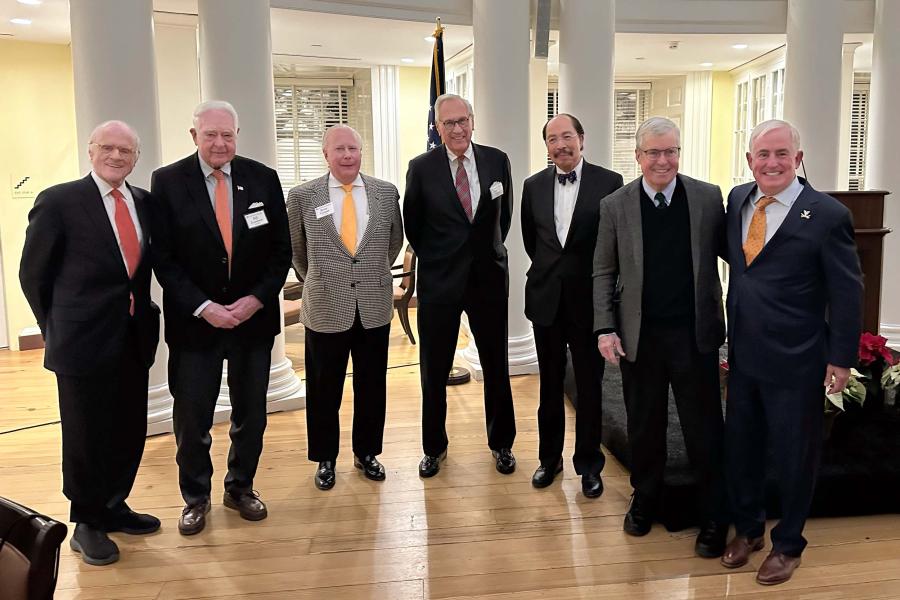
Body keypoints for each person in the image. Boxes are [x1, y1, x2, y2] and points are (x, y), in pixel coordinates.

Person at [721, 119, 862, 585]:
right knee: (742, 448)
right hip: (742, 356)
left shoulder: (826, 214)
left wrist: (840, 358)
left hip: (797, 360)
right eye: (763, 154)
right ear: (749, 161)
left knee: (794, 455)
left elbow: (847, 292)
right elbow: (743, 267)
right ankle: (747, 528)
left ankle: (788, 544)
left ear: (798, 159)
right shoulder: (738, 198)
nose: (772, 163)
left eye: (782, 153)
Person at [19, 120, 160, 565]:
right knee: (86, 434)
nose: (117, 156)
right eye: (108, 148)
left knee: (128, 427)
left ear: (136, 159)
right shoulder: (59, 201)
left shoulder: (144, 203)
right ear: (91, 151)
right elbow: (33, 274)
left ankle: (114, 504)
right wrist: (55, 325)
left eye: (127, 151)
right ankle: (86, 522)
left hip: (133, 337)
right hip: (81, 339)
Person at [151, 100, 291, 535]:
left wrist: (255, 300)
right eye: (210, 134)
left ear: (237, 135)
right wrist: (204, 307)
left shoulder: (262, 178)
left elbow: (280, 252)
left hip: (253, 321)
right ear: (193, 136)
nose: (219, 142)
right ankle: (195, 496)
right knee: (192, 418)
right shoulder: (168, 181)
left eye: (227, 134)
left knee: (252, 414)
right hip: (196, 323)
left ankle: (240, 486)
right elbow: (164, 258)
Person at [593, 116, 729, 557]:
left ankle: (713, 514)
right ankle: (645, 498)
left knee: (703, 427)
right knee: (645, 423)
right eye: (653, 152)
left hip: (695, 334)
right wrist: (605, 327)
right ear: (637, 157)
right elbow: (603, 270)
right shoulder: (616, 204)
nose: (663, 160)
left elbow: (739, 257)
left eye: (671, 151)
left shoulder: (708, 198)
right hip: (641, 336)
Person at [403, 93, 516, 477]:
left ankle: (502, 443)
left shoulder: (497, 160)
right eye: (448, 123)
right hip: (440, 282)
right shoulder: (421, 168)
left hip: (488, 279)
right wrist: (440, 258)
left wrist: (485, 254)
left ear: (473, 120)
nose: (457, 129)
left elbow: (504, 220)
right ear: (437, 128)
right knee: (433, 370)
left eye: (463, 120)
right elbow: (413, 226)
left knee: (496, 365)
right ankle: (433, 447)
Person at [286, 125, 403, 490]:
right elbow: (296, 251)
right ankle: (325, 457)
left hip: (373, 303)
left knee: (372, 385)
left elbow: (393, 242)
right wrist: (321, 278)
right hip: (325, 305)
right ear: (326, 155)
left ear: (361, 151)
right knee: (324, 388)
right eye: (339, 149)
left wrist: (368, 273)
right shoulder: (303, 196)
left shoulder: (386, 193)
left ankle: (367, 452)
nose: (347, 155)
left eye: (353, 148)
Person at [521, 113, 622, 496]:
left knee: (589, 387)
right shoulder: (532, 186)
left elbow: (610, 245)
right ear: (546, 145)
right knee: (548, 385)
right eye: (552, 139)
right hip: (545, 299)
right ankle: (549, 460)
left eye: (567, 136)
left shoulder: (609, 182)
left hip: (589, 302)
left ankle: (589, 465)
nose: (560, 144)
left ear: (582, 139)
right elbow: (534, 242)